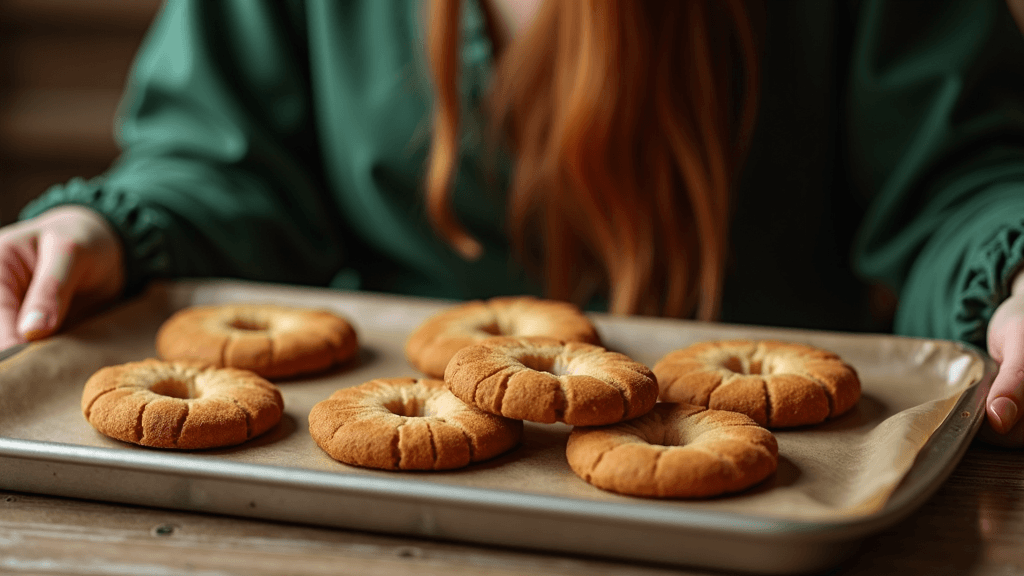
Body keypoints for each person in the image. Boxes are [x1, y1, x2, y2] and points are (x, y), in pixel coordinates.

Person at [1, 0, 1023, 444]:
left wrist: (1014, 270)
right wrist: (109, 229)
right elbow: (221, 164)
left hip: (786, 475)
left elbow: (959, 177)